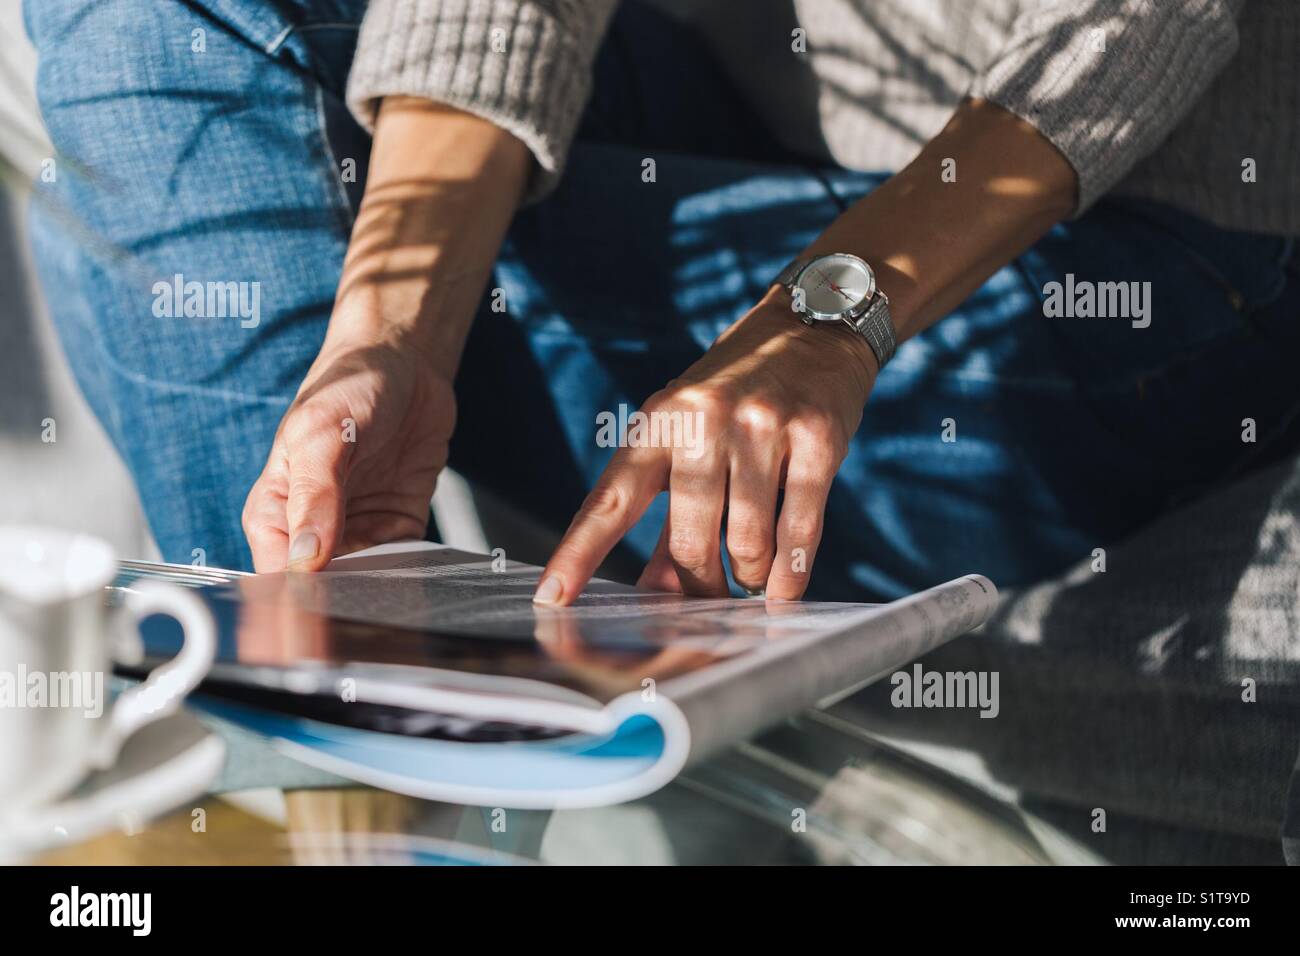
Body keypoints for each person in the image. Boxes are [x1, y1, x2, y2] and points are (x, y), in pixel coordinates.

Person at [26, 0, 1300, 611]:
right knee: (144, 74)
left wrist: (820, 316)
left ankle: (330, 761)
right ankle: (341, 726)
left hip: (1139, 245)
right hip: (759, 125)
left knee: (130, 245)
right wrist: (386, 335)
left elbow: (1142, 21)